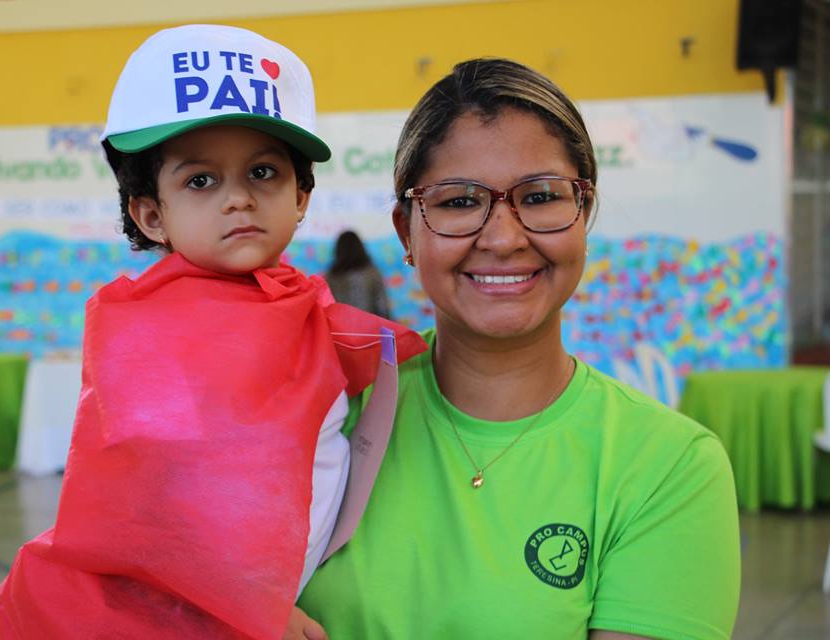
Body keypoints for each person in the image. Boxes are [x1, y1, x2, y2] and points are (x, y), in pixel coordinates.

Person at [0, 25, 423, 640]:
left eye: (263, 172)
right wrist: (252, 607)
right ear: (152, 214)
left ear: (301, 196)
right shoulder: (147, 332)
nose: (238, 199)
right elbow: (149, 513)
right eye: (200, 180)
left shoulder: (304, 306)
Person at [294, 58, 740, 639]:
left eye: (541, 196)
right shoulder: (320, 409)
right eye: (458, 202)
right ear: (407, 231)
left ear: (583, 214)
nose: (504, 238)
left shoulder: (668, 466)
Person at [325, 230, 393, 318]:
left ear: (338, 250)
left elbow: (327, 309)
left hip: (339, 325)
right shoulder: (372, 273)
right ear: (361, 248)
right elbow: (383, 308)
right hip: (369, 325)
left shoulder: (331, 277)